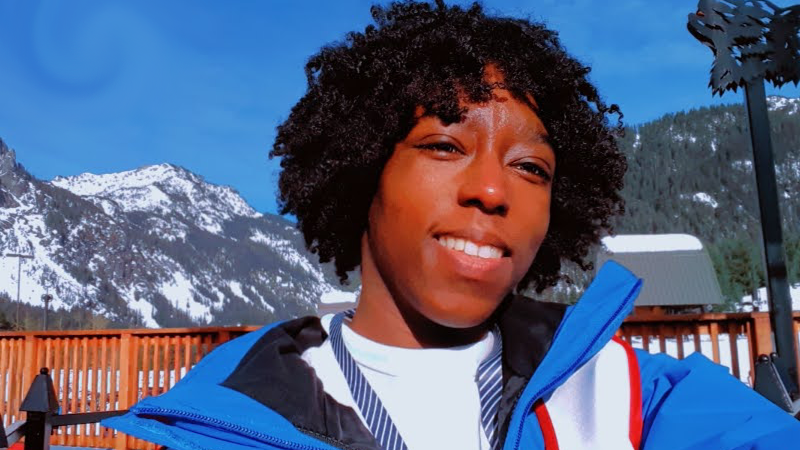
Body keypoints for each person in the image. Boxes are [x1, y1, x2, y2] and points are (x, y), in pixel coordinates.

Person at [102, 1, 800, 449]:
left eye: (532, 168)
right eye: (443, 146)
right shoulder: (231, 415)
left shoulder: (634, 401)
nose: (494, 189)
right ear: (361, 172)